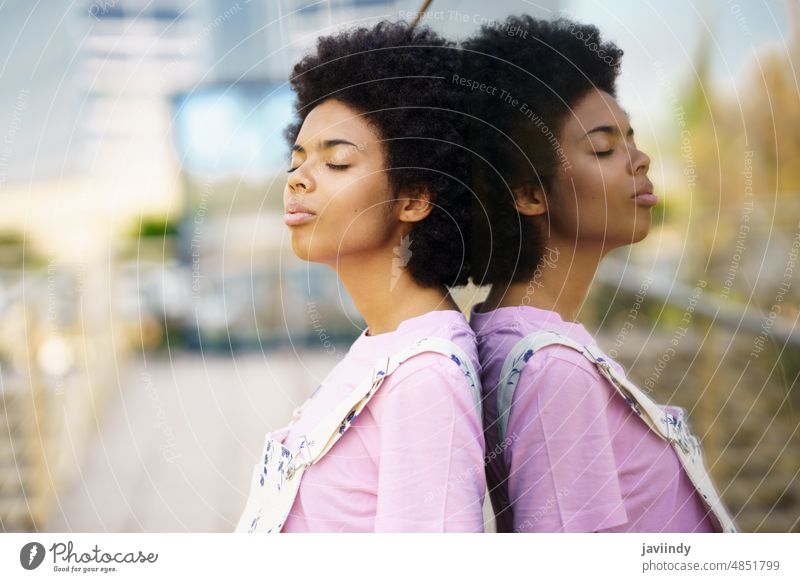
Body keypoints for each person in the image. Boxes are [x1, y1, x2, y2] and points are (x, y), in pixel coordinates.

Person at [463, 15, 734, 532]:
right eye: (604, 148)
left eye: (630, 138)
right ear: (527, 193)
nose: (639, 159)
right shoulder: (552, 371)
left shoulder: (504, 332)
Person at [236, 20, 484, 533]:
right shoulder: (384, 343)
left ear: (414, 199)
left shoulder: (425, 379)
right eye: (297, 160)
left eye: (338, 162)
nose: (298, 180)